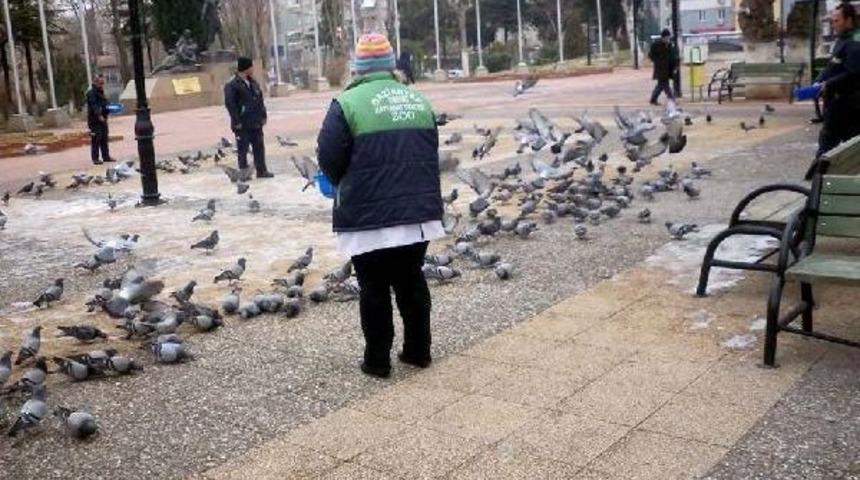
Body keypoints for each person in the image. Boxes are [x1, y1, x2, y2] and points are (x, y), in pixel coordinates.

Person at [316, 33, 444, 378]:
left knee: (373, 285)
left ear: (358, 67)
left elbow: (328, 160)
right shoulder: (417, 101)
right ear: (390, 65)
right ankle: (418, 352)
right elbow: (428, 152)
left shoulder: (346, 104)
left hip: (368, 214)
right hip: (418, 213)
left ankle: (377, 361)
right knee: (411, 280)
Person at [814, 2, 860, 158]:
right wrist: (819, 81)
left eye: (837, 21)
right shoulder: (843, 39)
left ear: (848, 20)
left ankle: (818, 178)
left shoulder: (855, 41)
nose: (834, 25)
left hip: (848, 104)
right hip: (836, 103)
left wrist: (829, 84)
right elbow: (833, 64)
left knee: (828, 148)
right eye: (832, 21)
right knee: (841, 146)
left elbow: (853, 72)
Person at [224, 57, 273, 178]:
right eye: (251, 67)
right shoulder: (232, 85)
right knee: (243, 150)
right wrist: (236, 120)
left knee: (259, 148)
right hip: (242, 124)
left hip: (256, 122)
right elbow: (230, 104)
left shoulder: (253, 83)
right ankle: (244, 173)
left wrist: (263, 115)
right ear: (246, 68)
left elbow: (260, 101)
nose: (253, 69)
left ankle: (261, 170)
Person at [86, 75, 114, 165]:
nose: (102, 85)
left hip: (103, 119)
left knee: (104, 138)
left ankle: (106, 156)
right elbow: (94, 105)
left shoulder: (100, 91)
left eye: (103, 83)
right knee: (96, 138)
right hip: (94, 120)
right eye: (100, 83)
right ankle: (95, 158)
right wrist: (99, 115)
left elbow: (104, 103)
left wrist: (110, 108)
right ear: (95, 82)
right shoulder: (91, 93)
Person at [648, 29, 677, 106]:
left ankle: (653, 99)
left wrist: (674, 67)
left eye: (669, 37)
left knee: (660, 85)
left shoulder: (670, 45)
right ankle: (671, 99)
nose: (668, 39)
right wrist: (657, 61)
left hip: (667, 68)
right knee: (665, 85)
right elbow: (651, 55)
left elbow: (672, 57)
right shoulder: (656, 45)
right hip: (660, 68)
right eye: (667, 37)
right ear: (663, 37)